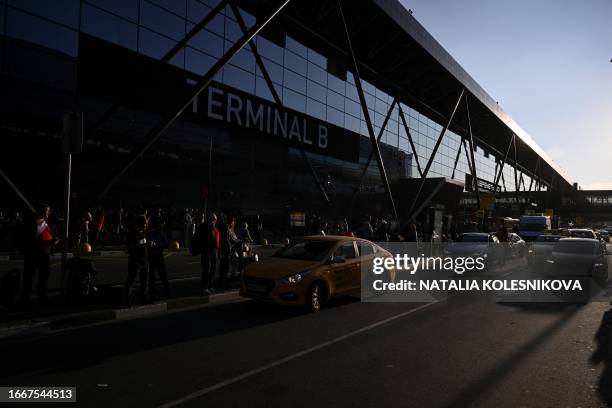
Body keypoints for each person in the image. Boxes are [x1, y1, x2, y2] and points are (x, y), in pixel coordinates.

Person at [20, 203, 56, 304]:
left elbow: (47, 235)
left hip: (45, 253)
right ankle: (25, 298)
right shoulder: (31, 223)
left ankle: (41, 298)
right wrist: (48, 242)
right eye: (46, 210)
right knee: (29, 277)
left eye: (48, 211)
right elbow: (30, 239)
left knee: (43, 278)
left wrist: (52, 241)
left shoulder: (47, 222)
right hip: (33, 254)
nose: (48, 212)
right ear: (40, 211)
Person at [123, 215, 149, 306]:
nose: (146, 225)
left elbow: (144, 244)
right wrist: (142, 245)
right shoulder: (132, 233)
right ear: (139, 223)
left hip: (144, 261)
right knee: (131, 280)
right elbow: (129, 248)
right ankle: (127, 300)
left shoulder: (144, 232)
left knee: (144, 282)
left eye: (146, 223)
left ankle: (143, 297)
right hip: (135, 261)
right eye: (144, 223)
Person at [147, 218, 170, 299]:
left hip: (158, 255)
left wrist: (158, 245)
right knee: (152, 274)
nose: (162, 226)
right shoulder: (151, 233)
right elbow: (148, 242)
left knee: (162, 274)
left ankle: (167, 289)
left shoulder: (162, 234)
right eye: (161, 224)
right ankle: (152, 289)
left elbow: (167, 244)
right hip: (152, 255)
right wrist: (152, 244)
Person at [198, 213, 220, 295]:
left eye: (215, 219)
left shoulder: (215, 228)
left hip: (214, 251)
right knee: (206, 270)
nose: (214, 221)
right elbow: (203, 239)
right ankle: (204, 288)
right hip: (206, 251)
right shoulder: (204, 227)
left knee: (213, 269)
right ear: (209, 219)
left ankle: (209, 286)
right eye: (212, 219)